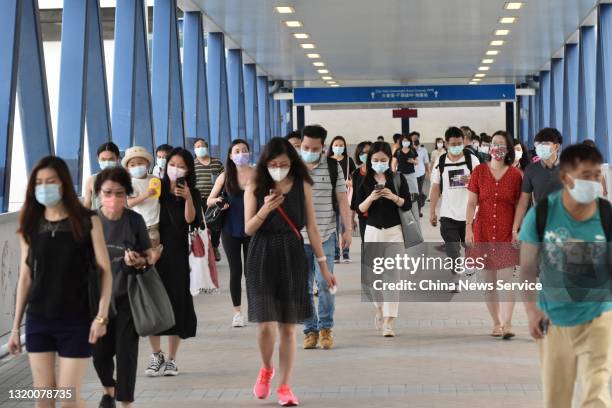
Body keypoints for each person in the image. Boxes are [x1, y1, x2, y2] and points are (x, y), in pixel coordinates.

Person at [8, 156, 113, 407]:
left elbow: (105, 271)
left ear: (63, 183)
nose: (44, 186)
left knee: (68, 399)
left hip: (76, 320)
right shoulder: (30, 224)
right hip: (38, 319)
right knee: (44, 398)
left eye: (50, 181)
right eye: (39, 182)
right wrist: (15, 329)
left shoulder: (87, 221)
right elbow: (25, 277)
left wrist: (101, 316)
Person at [245, 137, 336, 406]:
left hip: (293, 254)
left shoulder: (302, 185)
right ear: (265, 163)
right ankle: (266, 368)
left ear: (292, 163)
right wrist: (265, 209)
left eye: (284, 164)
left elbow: (313, 227)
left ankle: (284, 385)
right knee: (264, 325)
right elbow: (248, 228)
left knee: (288, 328)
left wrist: (324, 266)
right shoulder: (255, 184)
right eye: (273, 164)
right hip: (261, 253)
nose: (278, 168)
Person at [519, 143, 611, 408]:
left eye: (596, 175)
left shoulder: (606, 214)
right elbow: (526, 270)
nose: (593, 182)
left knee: (597, 393)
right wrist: (532, 311)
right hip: (555, 318)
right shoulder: (542, 215)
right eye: (585, 176)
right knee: (557, 399)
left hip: (600, 316)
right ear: (565, 178)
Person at [93, 167, 153, 408]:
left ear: (127, 194)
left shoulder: (134, 220)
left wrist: (139, 260)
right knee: (99, 355)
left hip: (128, 295)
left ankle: (125, 402)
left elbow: (149, 255)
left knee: (126, 354)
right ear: (99, 193)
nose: (114, 198)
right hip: (97, 302)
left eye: (119, 193)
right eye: (108, 192)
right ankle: (110, 388)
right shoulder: (91, 222)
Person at [145, 148, 202, 377]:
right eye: (172, 164)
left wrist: (187, 197)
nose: (175, 168)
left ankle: (172, 359)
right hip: (153, 253)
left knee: (177, 303)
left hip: (177, 255)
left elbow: (190, 220)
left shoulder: (192, 192)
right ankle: (156, 354)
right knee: (153, 304)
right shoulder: (155, 187)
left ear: (188, 170)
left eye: (181, 165)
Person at [466, 130, 522, 339]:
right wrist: (468, 228)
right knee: (489, 283)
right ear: (490, 147)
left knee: (507, 281)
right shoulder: (479, 171)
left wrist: (517, 230)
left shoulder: (516, 175)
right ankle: (496, 323)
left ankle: (508, 323)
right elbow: (471, 203)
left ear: (508, 150)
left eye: (502, 145)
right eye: (495, 144)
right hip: (483, 232)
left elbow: (519, 206)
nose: (497, 148)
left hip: (507, 232)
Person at [300, 125, 352, 350]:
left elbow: (342, 200)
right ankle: (309, 330)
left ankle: (326, 328)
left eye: (314, 148)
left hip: (326, 235)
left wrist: (347, 229)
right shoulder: (292, 168)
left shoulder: (333, 166)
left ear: (323, 147)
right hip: (297, 238)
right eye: (305, 147)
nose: (309, 151)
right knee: (302, 287)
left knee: (325, 283)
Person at [356, 141, 412, 337]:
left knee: (392, 278)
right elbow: (358, 208)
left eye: (383, 160)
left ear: (390, 160)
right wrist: (371, 197)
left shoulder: (397, 178)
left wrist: (393, 196)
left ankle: (389, 321)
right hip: (372, 231)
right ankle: (379, 307)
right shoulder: (362, 179)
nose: (379, 163)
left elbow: (407, 204)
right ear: (370, 160)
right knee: (372, 279)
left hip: (394, 231)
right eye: (375, 160)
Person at [208, 139, 255, 327]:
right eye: (237, 151)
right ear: (230, 155)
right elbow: (209, 200)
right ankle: (237, 312)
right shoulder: (225, 176)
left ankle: (254, 308)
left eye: (244, 150)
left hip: (252, 228)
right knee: (236, 271)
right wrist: (218, 200)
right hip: (230, 229)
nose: (241, 153)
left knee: (252, 271)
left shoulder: (257, 174)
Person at [429, 127, 480, 284]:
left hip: (469, 214)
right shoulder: (441, 161)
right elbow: (435, 187)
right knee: (452, 250)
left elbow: (482, 184)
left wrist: (471, 181)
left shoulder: (472, 160)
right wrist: (432, 211)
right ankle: (456, 276)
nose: (457, 146)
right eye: (453, 144)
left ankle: (471, 270)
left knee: (470, 247)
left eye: (460, 143)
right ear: (446, 143)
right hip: (448, 213)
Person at [511, 128, 564, 243]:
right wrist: (515, 229)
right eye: (538, 144)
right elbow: (523, 202)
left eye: (545, 144)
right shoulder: (531, 170)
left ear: (556, 146)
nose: (540, 147)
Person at [124, 146, 163, 263]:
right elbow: (129, 203)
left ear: (147, 163)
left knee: (155, 254)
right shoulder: (131, 183)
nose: (137, 167)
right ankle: (145, 274)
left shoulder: (154, 179)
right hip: (139, 225)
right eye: (132, 165)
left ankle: (154, 273)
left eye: (140, 163)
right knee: (141, 254)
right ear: (127, 168)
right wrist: (146, 195)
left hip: (155, 224)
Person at [193, 138, 224, 261]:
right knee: (201, 225)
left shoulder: (217, 163)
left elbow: (224, 178)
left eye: (202, 146)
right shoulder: (193, 164)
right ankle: (202, 250)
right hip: (199, 200)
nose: (200, 148)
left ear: (207, 147)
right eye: (197, 147)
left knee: (215, 225)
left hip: (214, 199)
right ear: (194, 150)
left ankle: (215, 247)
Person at [327, 135, 357, 263]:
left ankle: (345, 253)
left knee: (345, 226)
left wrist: (351, 183)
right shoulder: (326, 161)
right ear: (331, 146)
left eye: (341, 145)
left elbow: (355, 178)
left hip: (345, 197)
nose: (338, 147)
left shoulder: (349, 161)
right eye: (336, 145)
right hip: (330, 198)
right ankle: (335, 254)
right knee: (333, 228)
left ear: (344, 147)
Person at [83, 142, 121, 210]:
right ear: (98, 159)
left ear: (117, 159)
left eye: (111, 159)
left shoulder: (124, 179)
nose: (107, 162)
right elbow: (87, 204)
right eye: (103, 159)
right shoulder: (91, 180)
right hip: (98, 219)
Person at [391, 134, 419, 215]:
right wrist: (393, 172)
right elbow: (394, 163)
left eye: (407, 141)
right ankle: (401, 210)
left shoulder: (413, 150)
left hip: (411, 174)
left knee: (413, 193)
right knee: (401, 192)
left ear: (410, 142)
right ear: (401, 142)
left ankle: (413, 210)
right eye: (404, 141)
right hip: (400, 175)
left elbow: (417, 162)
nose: (405, 142)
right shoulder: (398, 151)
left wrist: (413, 161)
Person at [350, 141, 372, 243]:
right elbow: (354, 197)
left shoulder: (379, 172)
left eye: (368, 152)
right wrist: (351, 218)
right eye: (362, 153)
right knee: (366, 243)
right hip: (363, 215)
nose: (366, 155)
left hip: (378, 215)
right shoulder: (356, 174)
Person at [411, 131, 430, 216]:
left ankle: (418, 211)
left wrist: (428, 172)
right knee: (411, 192)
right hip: (410, 174)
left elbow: (426, 162)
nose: (415, 139)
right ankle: (411, 210)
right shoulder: (408, 150)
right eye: (413, 138)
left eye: (416, 138)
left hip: (420, 174)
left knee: (418, 192)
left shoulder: (423, 150)